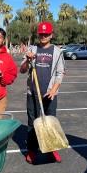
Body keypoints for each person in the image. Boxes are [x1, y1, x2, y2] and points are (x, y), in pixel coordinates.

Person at [20, 22, 65, 164]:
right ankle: (32, 151)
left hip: (49, 93)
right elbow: (22, 70)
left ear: (51, 35)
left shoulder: (57, 52)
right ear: (38, 35)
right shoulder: (31, 49)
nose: (44, 36)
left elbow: (60, 72)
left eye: (46, 34)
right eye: (41, 34)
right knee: (32, 121)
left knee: (50, 122)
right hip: (32, 92)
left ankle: (52, 149)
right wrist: (27, 60)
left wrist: (54, 89)